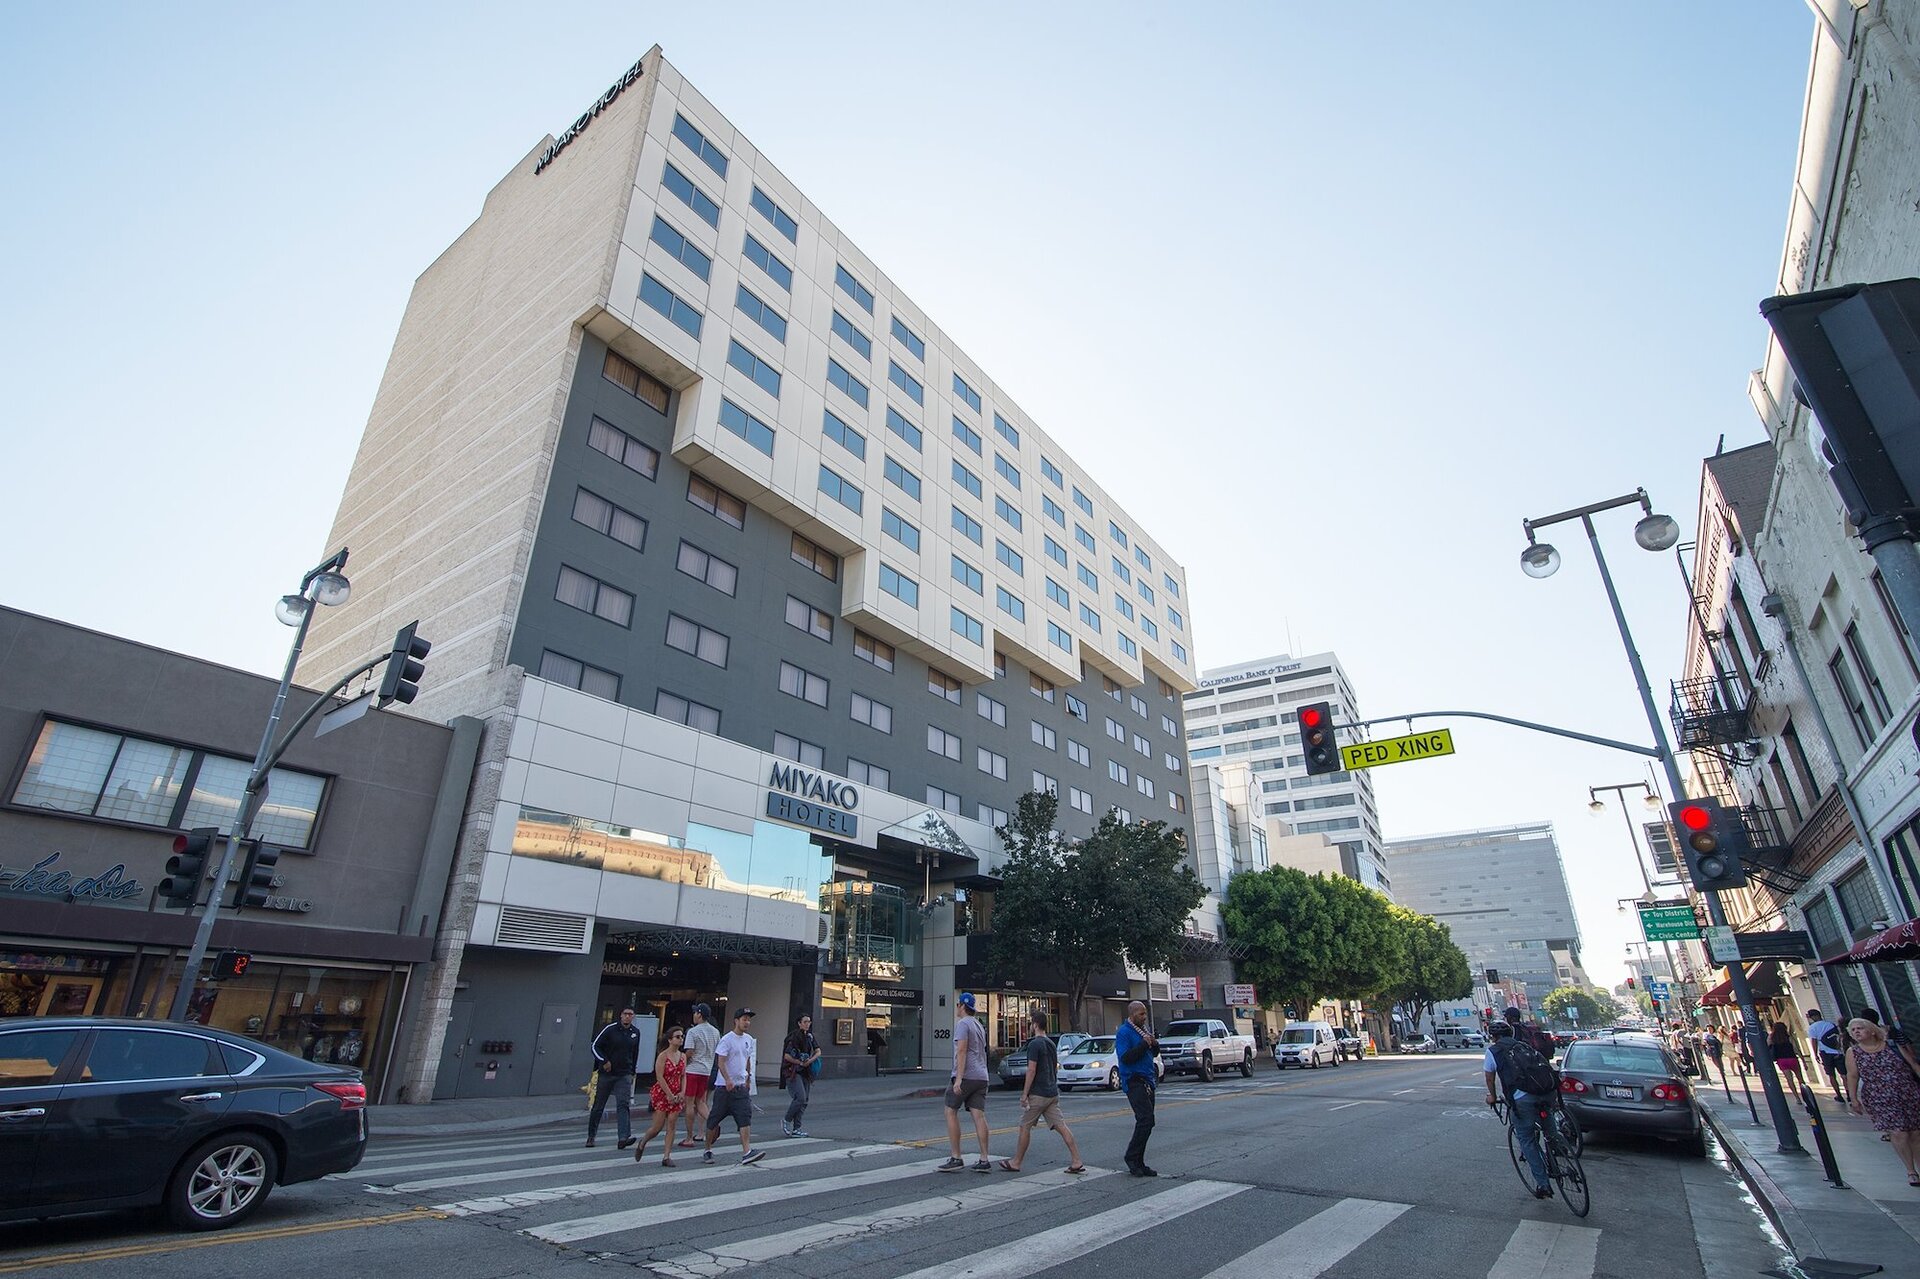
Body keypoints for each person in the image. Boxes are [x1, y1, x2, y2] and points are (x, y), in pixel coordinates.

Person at [998, 1011, 1086, 1174]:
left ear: (1036, 1024)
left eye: (1031, 1023)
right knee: (1061, 1126)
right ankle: (1076, 1160)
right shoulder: (1051, 1044)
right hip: (1052, 1093)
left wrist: (1025, 1094)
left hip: (1038, 1094)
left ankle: (1016, 1162)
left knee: (1025, 1126)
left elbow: (1031, 1070)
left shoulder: (1034, 1044)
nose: (1031, 1026)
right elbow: (1054, 1067)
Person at [1844, 1016, 1920, 1187]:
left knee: (1915, 1132)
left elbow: (1913, 1065)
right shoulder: (1853, 1052)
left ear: (1871, 1030)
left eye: (1860, 1028)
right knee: (1898, 1132)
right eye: (1853, 1030)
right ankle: (1911, 1170)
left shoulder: (1892, 1045)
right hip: (1879, 1097)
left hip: (1907, 1092)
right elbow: (1853, 1075)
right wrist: (1853, 1098)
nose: (1856, 1032)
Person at [1484, 1021, 1553, 1200]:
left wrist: (1492, 1097)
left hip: (1523, 1098)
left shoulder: (1493, 1051)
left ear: (1493, 1036)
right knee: (1550, 1131)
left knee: (1526, 1139)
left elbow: (1490, 1079)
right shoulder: (1524, 1045)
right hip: (1546, 1093)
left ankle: (1543, 1184)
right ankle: (1559, 1150)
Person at [701, 1008, 764, 1165]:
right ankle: (707, 1149)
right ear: (736, 1021)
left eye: (749, 1020)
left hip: (740, 1088)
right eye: (744, 1019)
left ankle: (747, 1152)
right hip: (724, 1089)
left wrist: (748, 1078)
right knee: (713, 1120)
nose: (747, 1022)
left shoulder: (748, 1039)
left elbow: (747, 1059)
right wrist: (727, 1079)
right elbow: (720, 1061)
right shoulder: (727, 1039)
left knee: (745, 1118)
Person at [937, 992, 992, 1172]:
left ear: (962, 1006)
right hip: (981, 1076)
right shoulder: (978, 1025)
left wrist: (958, 1079)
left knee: (950, 1111)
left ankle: (956, 1156)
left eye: (958, 1005)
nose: (957, 1008)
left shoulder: (962, 1024)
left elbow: (962, 1051)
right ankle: (984, 1159)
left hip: (966, 1075)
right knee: (979, 1116)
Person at [586, 1006, 642, 1150]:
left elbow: (634, 1052)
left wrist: (632, 1070)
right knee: (599, 1105)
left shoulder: (635, 1033)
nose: (628, 1017)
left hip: (624, 1074)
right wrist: (604, 1061)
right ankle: (591, 1135)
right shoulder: (610, 1029)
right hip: (607, 1074)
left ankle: (623, 1137)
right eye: (625, 1014)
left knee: (623, 1104)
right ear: (621, 1015)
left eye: (630, 1014)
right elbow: (595, 1046)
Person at [1117, 999, 1161, 1177]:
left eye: (1145, 1014)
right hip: (1134, 1080)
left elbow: (1152, 1053)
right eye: (1141, 1014)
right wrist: (1144, 1043)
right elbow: (1126, 1057)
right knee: (1145, 1119)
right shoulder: (1124, 1032)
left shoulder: (1144, 1032)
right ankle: (1131, 1157)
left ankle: (1139, 1161)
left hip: (1148, 1079)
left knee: (1148, 1122)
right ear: (1132, 1014)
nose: (1144, 1017)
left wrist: (1154, 1044)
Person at [632, 1026, 688, 1166]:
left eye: (681, 1036)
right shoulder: (663, 1056)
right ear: (670, 1040)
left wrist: (682, 1092)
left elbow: (683, 1076)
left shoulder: (683, 1056)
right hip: (663, 1093)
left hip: (676, 1093)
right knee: (657, 1127)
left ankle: (666, 1156)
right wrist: (669, 1094)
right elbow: (659, 1077)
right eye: (677, 1037)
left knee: (672, 1123)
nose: (680, 1039)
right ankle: (643, 1142)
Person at [677, 1003, 719, 1150]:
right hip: (706, 1070)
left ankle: (689, 1137)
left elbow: (689, 1052)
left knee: (689, 1104)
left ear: (699, 1014)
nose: (694, 1015)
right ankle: (713, 1123)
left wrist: (682, 1063)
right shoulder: (715, 1032)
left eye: (695, 1013)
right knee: (701, 1101)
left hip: (693, 1069)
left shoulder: (693, 1032)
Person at [780, 1013, 822, 1137]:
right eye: (805, 1022)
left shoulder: (809, 1037)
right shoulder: (794, 1037)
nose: (807, 1024)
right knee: (800, 1097)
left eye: (809, 1022)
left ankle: (797, 1128)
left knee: (804, 1101)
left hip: (805, 1071)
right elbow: (787, 1056)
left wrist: (810, 1060)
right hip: (793, 1071)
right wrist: (799, 1062)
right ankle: (786, 1120)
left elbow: (818, 1051)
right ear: (799, 1023)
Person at [1806, 1007, 1848, 1103]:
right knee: (1844, 1074)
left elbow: (1814, 1041)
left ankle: (1839, 1095)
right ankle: (1849, 1095)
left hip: (1825, 1053)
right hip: (1837, 1052)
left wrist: (1815, 1054)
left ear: (1812, 1017)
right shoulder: (1830, 1024)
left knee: (1831, 1075)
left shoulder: (1812, 1028)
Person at [1768, 1021, 1806, 1090]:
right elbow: (1796, 1049)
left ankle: (1797, 1098)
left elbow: (1767, 1046)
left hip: (1781, 1060)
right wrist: (1804, 1062)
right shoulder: (1788, 1037)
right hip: (1792, 1059)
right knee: (1800, 1079)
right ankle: (1805, 1094)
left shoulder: (1772, 1037)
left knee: (1789, 1080)